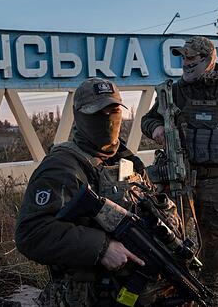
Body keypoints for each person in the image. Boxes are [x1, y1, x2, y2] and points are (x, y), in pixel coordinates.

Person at [15, 78, 168, 306]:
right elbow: (32, 233)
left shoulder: (128, 162)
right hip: (84, 296)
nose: (108, 119)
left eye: (114, 110)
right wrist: (101, 247)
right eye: (98, 112)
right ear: (79, 116)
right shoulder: (62, 166)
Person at [141, 35, 218, 303]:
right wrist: (157, 128)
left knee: (214, 239)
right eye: (182, 58)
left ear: (209, 61)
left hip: (217, 181)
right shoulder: (172, 92)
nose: (185, 63)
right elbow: (148, 120)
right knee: (171, 234)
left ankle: (210, 293)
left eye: (191, 58)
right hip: (177, 179)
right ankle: (173, 290)